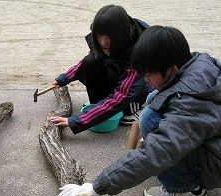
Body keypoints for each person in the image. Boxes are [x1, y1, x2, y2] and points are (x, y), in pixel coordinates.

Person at [55, 25, 221, 196]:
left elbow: (156, 153)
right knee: (153, 98)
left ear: (172, 70)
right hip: (213, 141)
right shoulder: (199, 64)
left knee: (151, 118)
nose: (147, 82)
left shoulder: (192, 102)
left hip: (216, 163)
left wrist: (96, 187)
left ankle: (186, 192)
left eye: (149, 75)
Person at [49, 5, 153, 134]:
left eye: (108, 37)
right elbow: (87, 61)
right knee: (89, 61)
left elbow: (121, 96)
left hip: (134, 93)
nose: (103, 43)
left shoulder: (138, 52)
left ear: (121, 34)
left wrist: (77, 120)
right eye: (99, 36)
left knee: (122, 107)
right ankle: (99, 107)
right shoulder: (104, 41)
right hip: (116, 81)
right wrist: (64, 78)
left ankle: (135, 108)